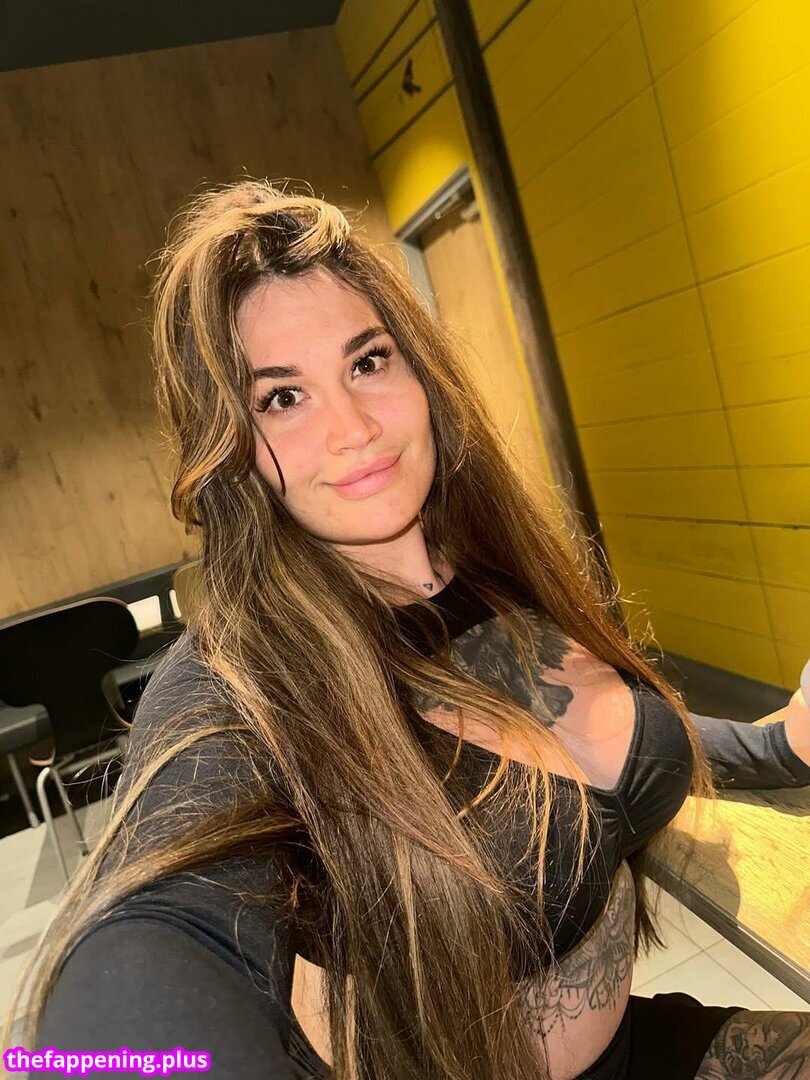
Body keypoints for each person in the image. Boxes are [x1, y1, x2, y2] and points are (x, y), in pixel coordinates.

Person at [7, 180, 810, 1080]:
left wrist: (782, 745)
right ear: (228, 444)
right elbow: (156, 939)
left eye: (367, 362)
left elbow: (579, 738)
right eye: (282, 398)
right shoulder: (241, 686)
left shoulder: (500, 570)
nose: (353, 429)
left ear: (420, 371)